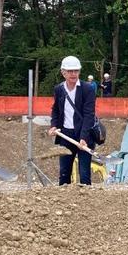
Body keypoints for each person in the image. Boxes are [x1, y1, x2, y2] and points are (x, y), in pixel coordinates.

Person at [48, 55, 96, 185]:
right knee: (64, 173)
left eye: (76, 71)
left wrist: (83, 137)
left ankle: (86, 197)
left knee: (84, 175)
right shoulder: (59, 89)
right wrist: (53, 125)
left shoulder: (87, 89)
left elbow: (89, 115)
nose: (73, 74)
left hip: (84, 134)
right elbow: (56, 110)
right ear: (63, 72)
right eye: (70, 71)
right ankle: (64, 197)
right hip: (65, 135)